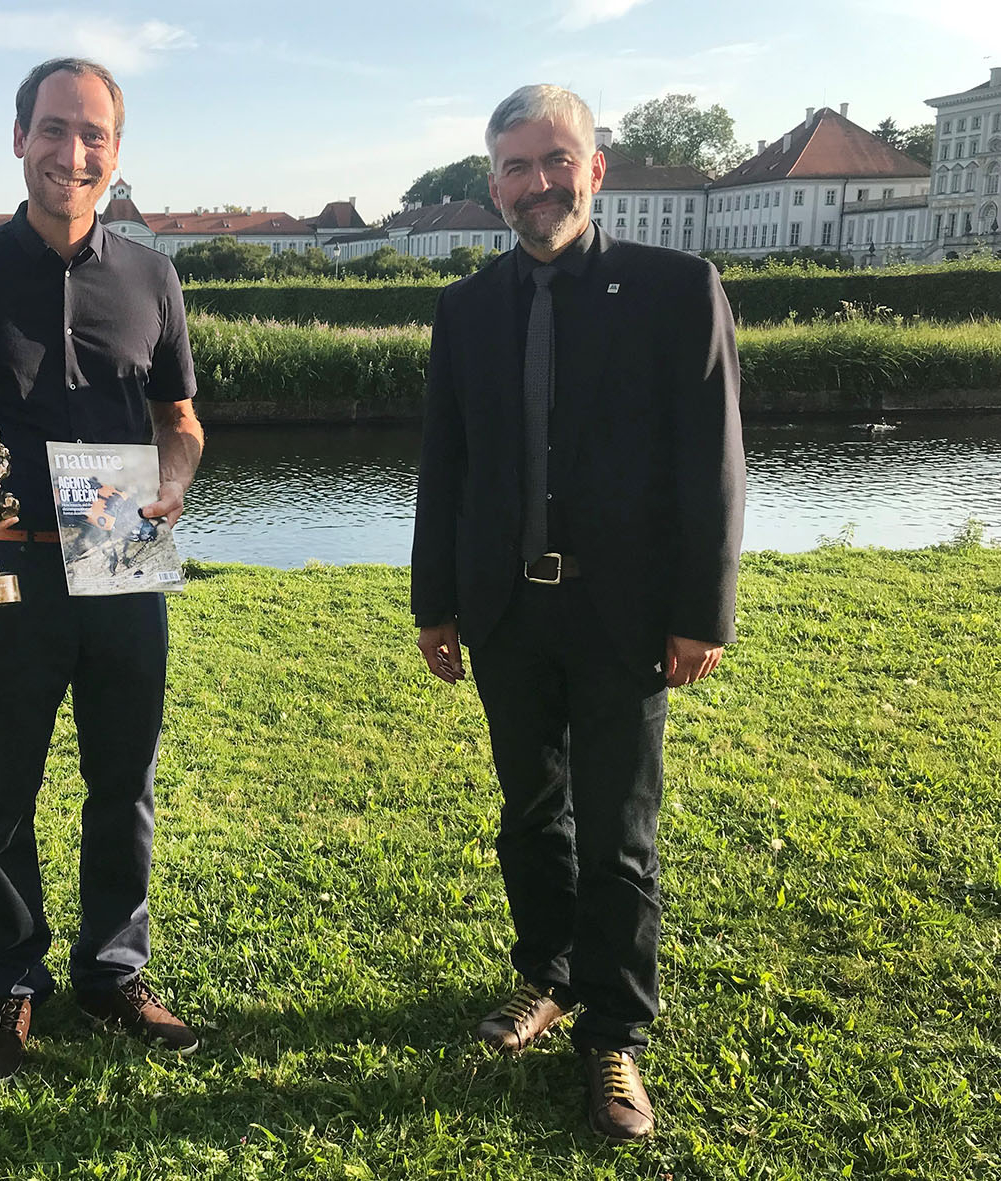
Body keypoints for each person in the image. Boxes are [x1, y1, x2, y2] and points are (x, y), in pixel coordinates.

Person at [410, 83, 744, 1142]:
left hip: (625, 616)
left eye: (553, 159)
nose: (533, 183)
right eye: (512, 165)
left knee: (617, 833)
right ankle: (543, 974)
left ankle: (613, 1030)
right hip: (507, 610)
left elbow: (713, 465)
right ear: (492, 180)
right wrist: (436, 603)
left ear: (594, 167)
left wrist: (703, 610)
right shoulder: (464, 309)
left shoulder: (675, 288)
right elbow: (444, 468)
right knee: (527, 814)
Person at [0, 57, 205, 1081]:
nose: (74, 152)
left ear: (115, 150)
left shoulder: (152, 276)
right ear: (19, 137)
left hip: (120, 541)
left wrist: (176, 482)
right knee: (5, 783)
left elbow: (178, 423)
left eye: (94, 134)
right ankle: (10, 985)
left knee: (125, 779)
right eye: (55, 129)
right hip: (6, 557)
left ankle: (112, 972)